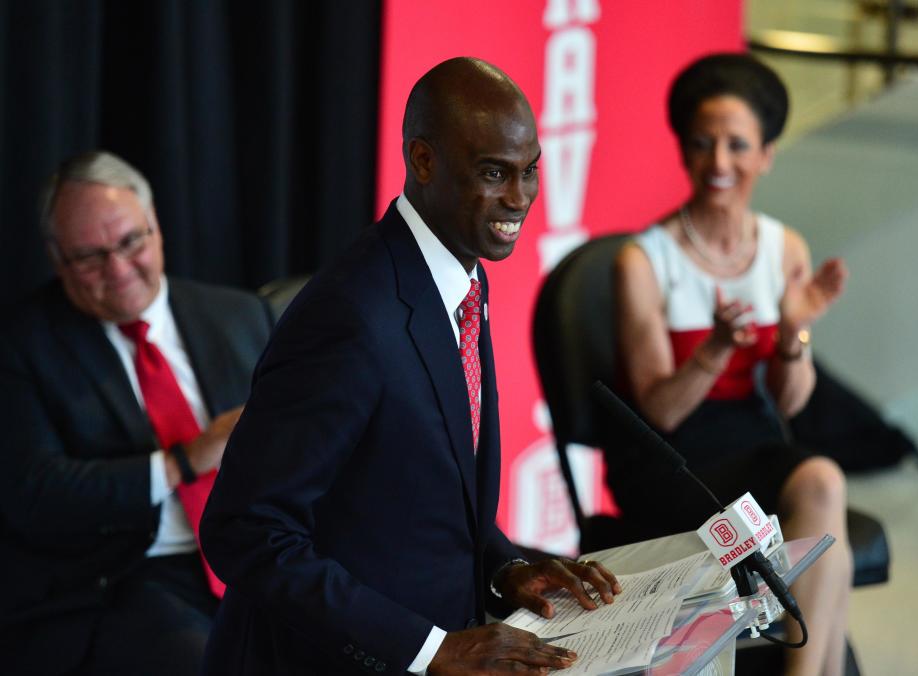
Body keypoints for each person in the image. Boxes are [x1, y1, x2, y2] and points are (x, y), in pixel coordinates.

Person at [200, 57, 620, 676]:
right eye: (494, 174)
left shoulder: (460, 272)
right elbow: (246, 530)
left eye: (530, 172)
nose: (519, 199)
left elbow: (421, 495)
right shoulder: (350, 316)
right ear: (423, 162)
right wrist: (433, 650)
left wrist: (505, 566)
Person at [612, 53, 852, 675]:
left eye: (738, 146)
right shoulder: (645, 260)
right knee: (829, 513)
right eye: (702, 143)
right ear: (683, 150)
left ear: (767, 154)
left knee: (826, 505)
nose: (719, 163)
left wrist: (792, 332)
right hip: (676, 465)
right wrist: (716, 348)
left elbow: (791, 401)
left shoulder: (783, 248)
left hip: (753, 443)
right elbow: (659, 410)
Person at [0, 151, 273, 676]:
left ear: (157, 228)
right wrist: (184, 460)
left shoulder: (242, 315)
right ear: (58, 262)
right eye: (89, 257)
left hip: (255, 555)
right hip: (124, 576)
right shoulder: (23, 346)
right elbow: (34, 493)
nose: (119, 269)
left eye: (131, 242)